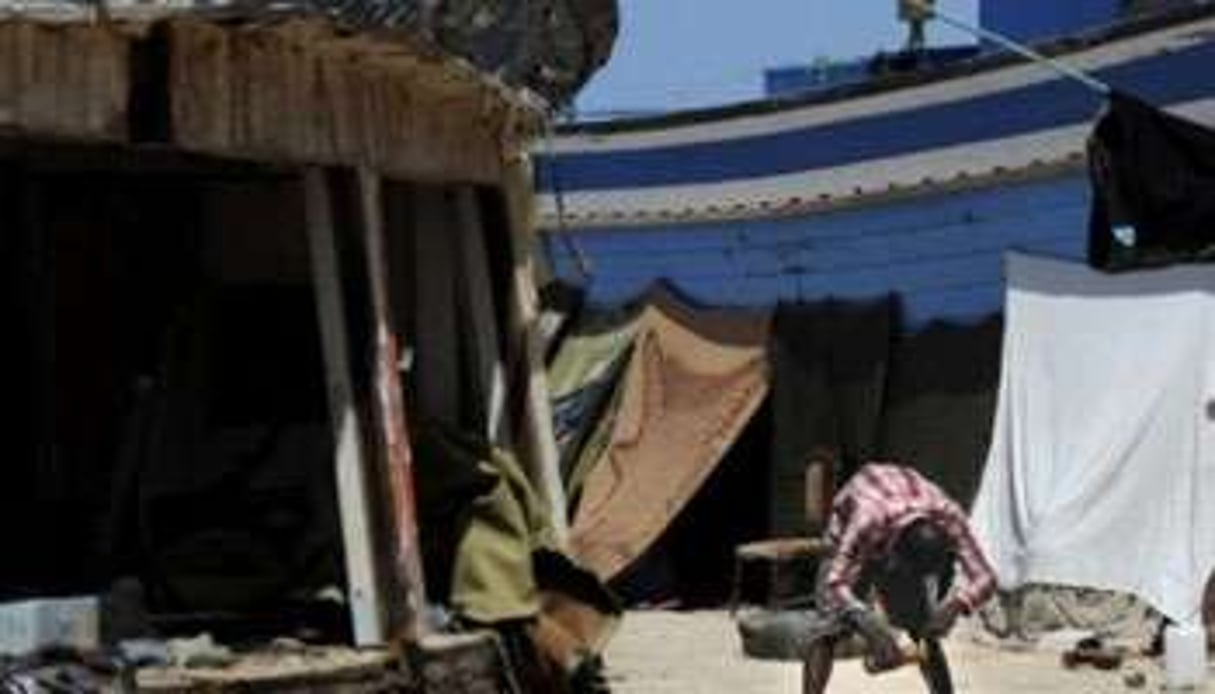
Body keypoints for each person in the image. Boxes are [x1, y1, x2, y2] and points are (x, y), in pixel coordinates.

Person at [802, 463, 997, 693]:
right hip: (848, 530)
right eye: (913, 575)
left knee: (923, 628)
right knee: (828, 627)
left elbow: (987, 577)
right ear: (894, 558)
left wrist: (956, 605)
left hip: (897, 521)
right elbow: (835, 582)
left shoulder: (949, 516)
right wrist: (868, 624)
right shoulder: (866, 519)